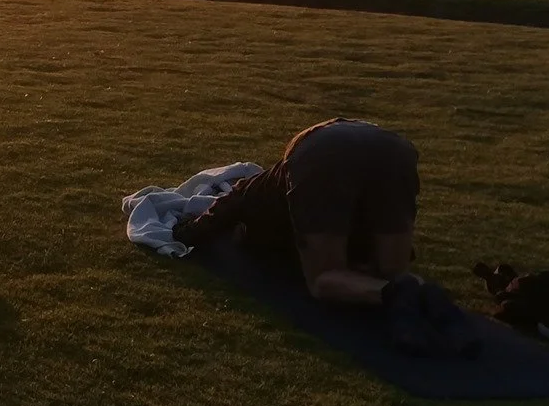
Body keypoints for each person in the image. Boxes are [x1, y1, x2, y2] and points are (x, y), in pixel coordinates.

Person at [171, 119, 474, 354]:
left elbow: (222, 208)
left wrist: (185, 233)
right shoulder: (290, 201)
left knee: (325, 280)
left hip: (322, 152)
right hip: (392, 148)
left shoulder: (257, 188)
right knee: (392, 271)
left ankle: (396, 294)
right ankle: (423, 296)